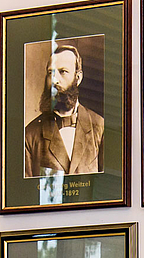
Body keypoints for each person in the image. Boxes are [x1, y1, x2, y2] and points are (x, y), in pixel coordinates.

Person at [24, 45, 105, 177]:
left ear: (78, 78)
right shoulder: (30, 135)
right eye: (51, 73)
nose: (54, 80)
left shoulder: (99, 126)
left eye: (63, 72)